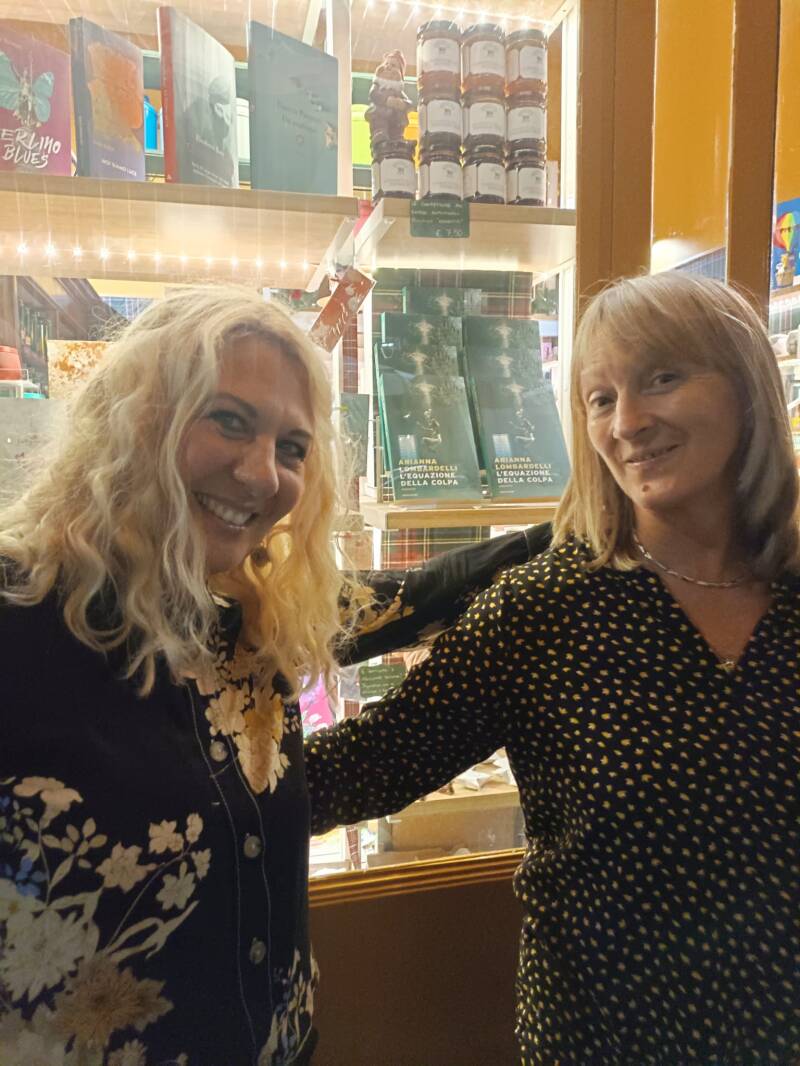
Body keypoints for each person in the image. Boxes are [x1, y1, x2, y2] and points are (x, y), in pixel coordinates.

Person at [0, 283, 547, 1065]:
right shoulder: (19, 612)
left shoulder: (249, 612)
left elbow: (411, 600)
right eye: (229, 420)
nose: (263, 475)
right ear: (136, 417)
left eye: (293, 448)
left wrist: (583, 529)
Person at [306, 272, 800, 1064]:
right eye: (601, 398)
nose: (628, 422)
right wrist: (158, 762)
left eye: (662, 378)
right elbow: (365, 765)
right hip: (605, 1043)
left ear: (747, 388)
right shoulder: (545, 607)